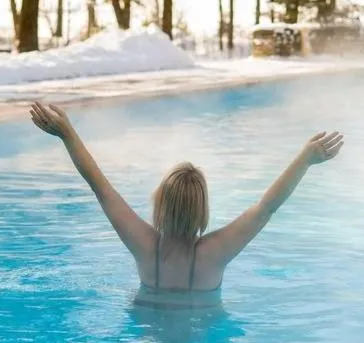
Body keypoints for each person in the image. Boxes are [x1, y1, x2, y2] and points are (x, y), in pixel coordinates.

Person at [29, 101, 344, 307]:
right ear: (202, 211)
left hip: (149, 335)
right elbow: (266, 207)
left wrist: (67, 134)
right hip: (202, 334)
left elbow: (100, 186)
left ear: (160, 204)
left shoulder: (143, 245)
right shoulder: (215, 254)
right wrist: (305, 159)